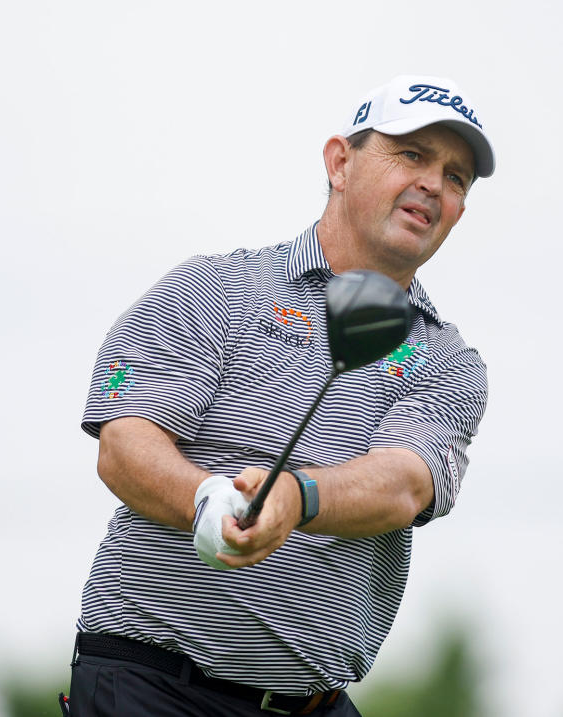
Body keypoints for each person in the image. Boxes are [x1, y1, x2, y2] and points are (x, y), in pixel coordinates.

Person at [65, 74, 494, 716]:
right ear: (340, 162)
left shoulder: (448, 360)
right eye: (411, 154)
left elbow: (405, 483)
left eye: (456, 176)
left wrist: (297, 497)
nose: (434, 183)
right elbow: (125, 447)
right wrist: (206, 501)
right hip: (153, 688)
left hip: (313, 704)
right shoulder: (212, 290)